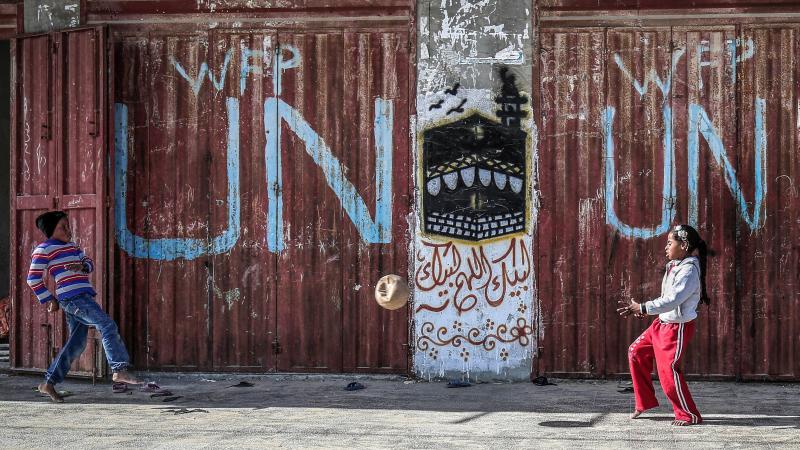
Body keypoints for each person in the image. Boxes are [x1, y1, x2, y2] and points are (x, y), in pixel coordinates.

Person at [27, 211, 139, 402]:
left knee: (77, 343)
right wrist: (49, 299)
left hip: (84, 297)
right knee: (107, 325)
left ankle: (49, 383)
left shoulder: (72, 246)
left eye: (68, 225)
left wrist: (83, 267)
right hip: (72, 299)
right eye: (63, 226)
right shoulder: (44, 249)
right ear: (51, 229)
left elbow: (88, 261)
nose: (68, 229)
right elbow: (33, 279)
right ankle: (119, 369)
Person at [617, 224, 710, 426]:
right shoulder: (674, 266)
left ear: (684, 245)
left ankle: (689, 415)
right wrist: (648, 311)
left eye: (670, 243)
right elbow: (666, 299)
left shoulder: (689, 272)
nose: (666, 247)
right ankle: (645, 402)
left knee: (668, 372)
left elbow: (673, 300)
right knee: (636, 352)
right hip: (661, 324)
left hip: (676, 329)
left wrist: (642, 307)